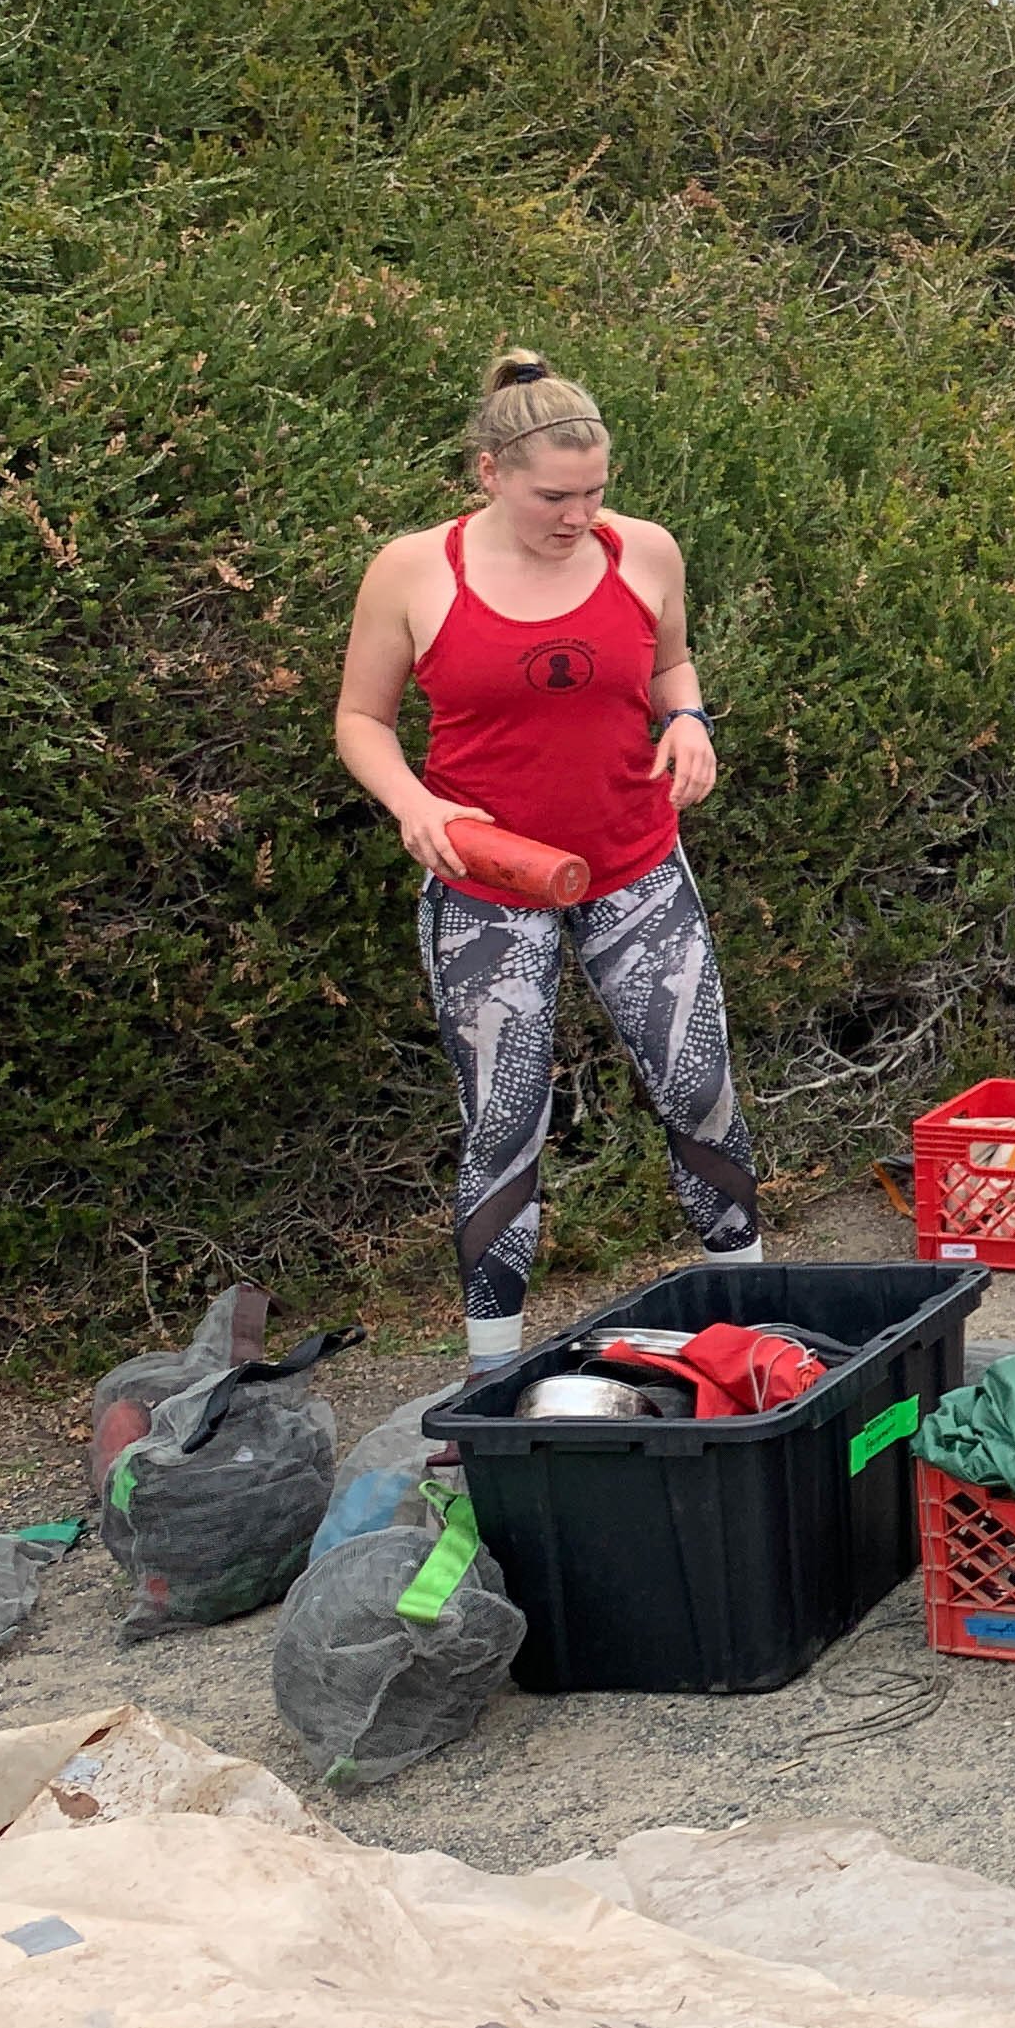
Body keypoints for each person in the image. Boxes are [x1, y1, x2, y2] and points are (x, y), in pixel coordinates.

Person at [334, 351, 759, 1359]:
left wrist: (690, 718)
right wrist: (410, 802)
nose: (579, 517)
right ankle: (493, 1370)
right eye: (553, 497)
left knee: (698, 1085)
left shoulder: (642, 552)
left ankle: (755, 1331)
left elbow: (669, 665)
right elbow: (360, 717)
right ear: (489, 474)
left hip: (635, 862)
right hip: (487, 880)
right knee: (506, 1119)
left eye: (596, 492)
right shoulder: (412, 571)